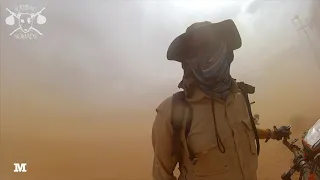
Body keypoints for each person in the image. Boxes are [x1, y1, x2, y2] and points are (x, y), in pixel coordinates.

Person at [152, 20, 291, 180]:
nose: (208, 57)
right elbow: (162, 174)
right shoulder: (172, 112)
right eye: (198, 50)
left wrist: (273, 133)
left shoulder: (239, 96)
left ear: (226, 52)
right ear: (188, 62)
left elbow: (244, 132)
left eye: (212, 46)